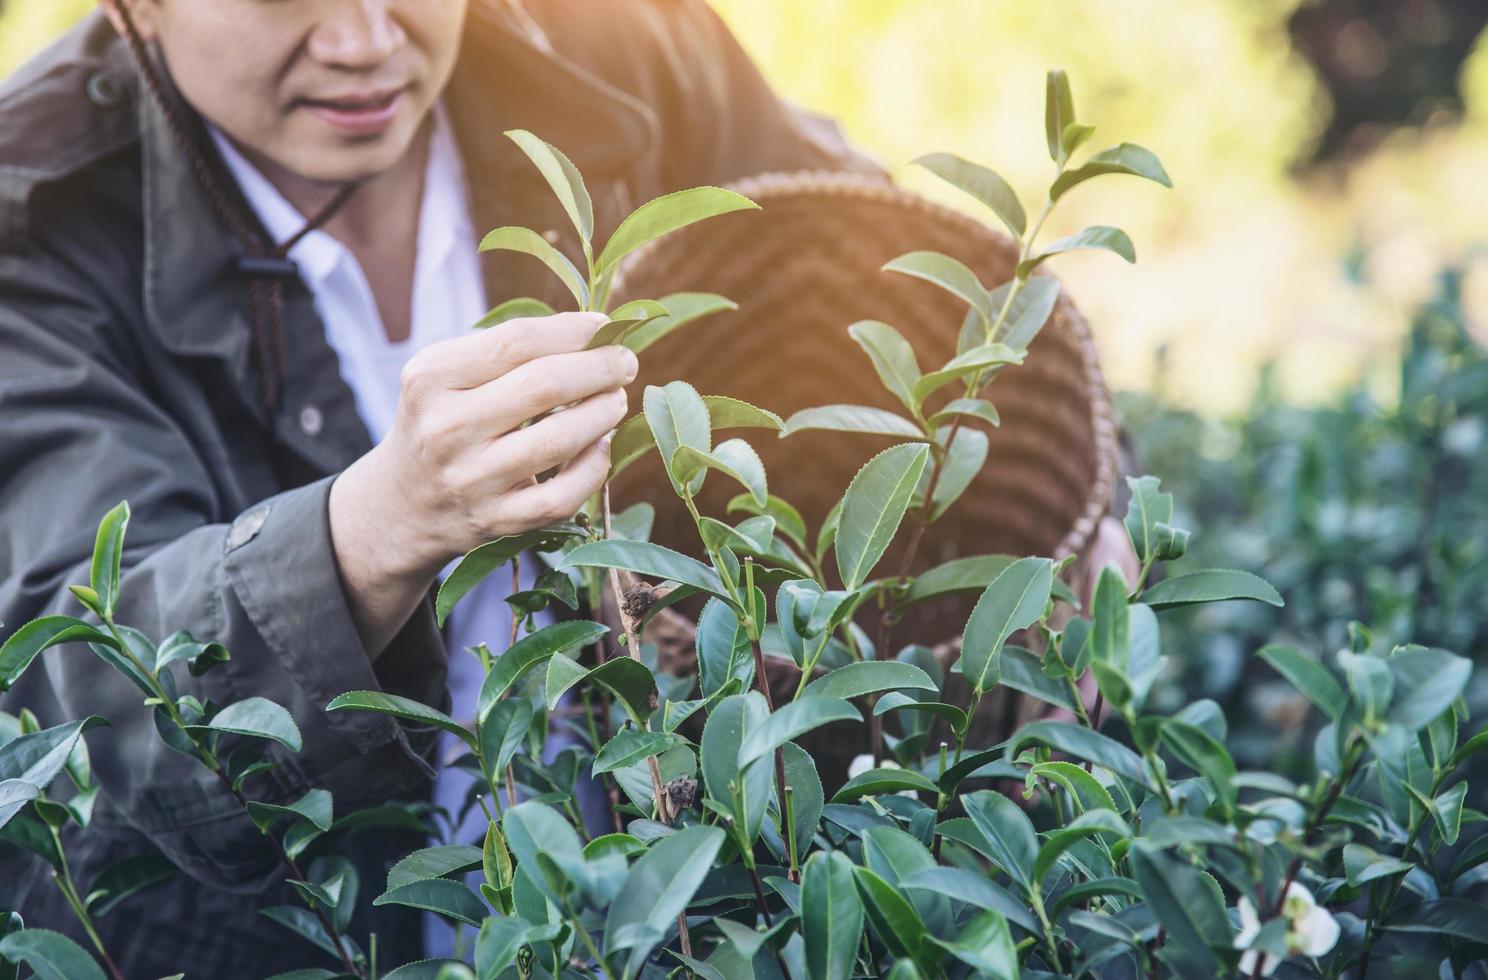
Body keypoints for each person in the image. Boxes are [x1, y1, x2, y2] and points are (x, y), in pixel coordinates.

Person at [0, 1, 883, 974]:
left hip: (680, 905)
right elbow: (89, 675)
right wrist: (377, 527)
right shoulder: (30, 207)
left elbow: (880, 269)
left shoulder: (628, 48)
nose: (364, 42)